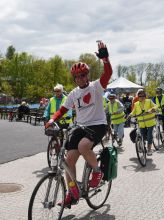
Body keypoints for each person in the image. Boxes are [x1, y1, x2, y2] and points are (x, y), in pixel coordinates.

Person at [46, 41, 112, 208]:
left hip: (98, 125)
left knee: (83, 147)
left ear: (87, 75)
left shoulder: (96, 86)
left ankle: (97, 171)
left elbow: (108, 73)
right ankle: (72, 193)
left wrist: (105, 58)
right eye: (77, 76)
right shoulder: (74, 93)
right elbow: (62, 110)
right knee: (68, 161)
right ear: (74, 78)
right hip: (81, 127)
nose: (81, 78)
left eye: (83, 75)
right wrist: (52, 120)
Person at [129, 89, 157, 155]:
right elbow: (133, 112)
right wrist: (129, 115)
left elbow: (156, 106)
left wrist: (152, 109)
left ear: (145, 96)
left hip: (150, 123)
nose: (142, 97)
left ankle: (149, 149)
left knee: (149, 136)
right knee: (143, 137)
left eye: (143, 96)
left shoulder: (149, 101)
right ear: (138, 97)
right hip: (141, 123)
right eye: (140, 96)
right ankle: (142, 146)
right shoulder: (136, 104)